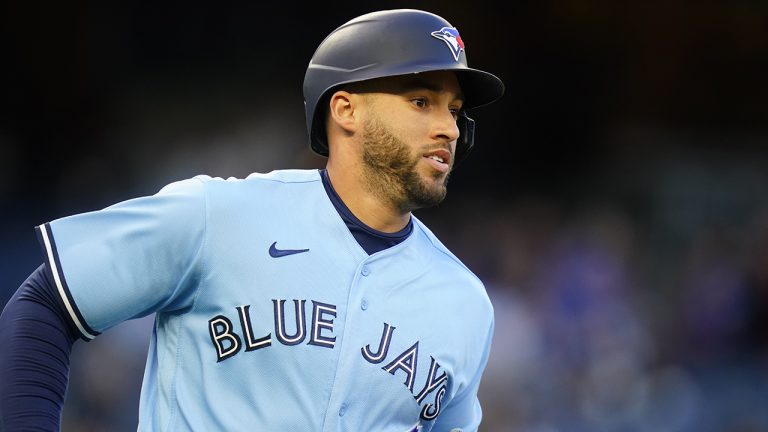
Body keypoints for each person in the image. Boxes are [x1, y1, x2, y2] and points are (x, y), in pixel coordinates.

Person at [0, 9, 504, 431]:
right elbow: (46, 303)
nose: (449, 128)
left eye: (455, 111)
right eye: (422, 102)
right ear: (346, 109)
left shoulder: (464, 302)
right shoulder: (218, 216)